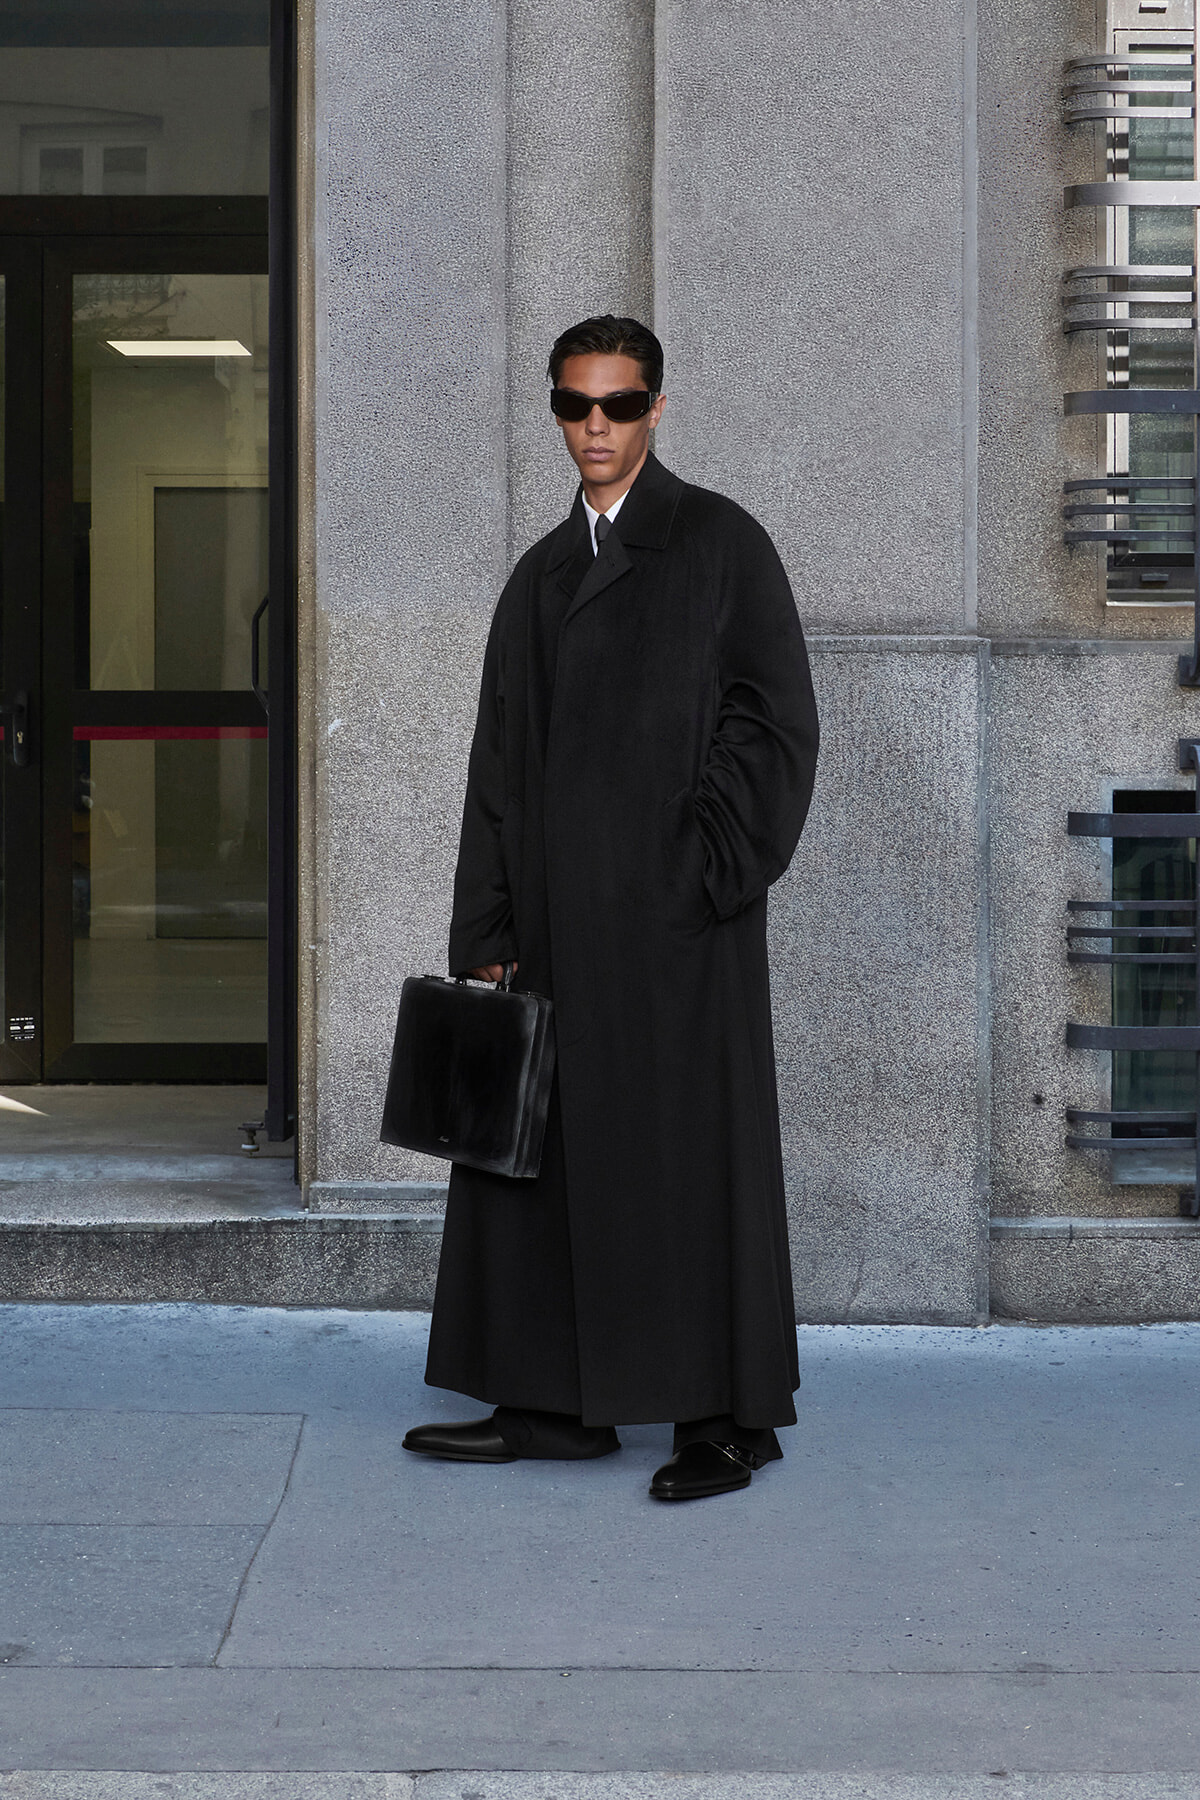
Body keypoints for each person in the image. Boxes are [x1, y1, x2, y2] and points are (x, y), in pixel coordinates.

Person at [403, 314, 819, 1501]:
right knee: (535, 1160)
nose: (596, 428)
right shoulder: (539, 575)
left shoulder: (720, 544)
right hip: (548, 932)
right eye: (575, 406)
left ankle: (724, 1420)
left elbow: (777, 724)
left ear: (657, 409)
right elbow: (498, 764)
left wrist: (704, 871)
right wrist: (484, 933)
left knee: (692, 1162)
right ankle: (547, 1405)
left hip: (677, 932)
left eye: (619, 405)